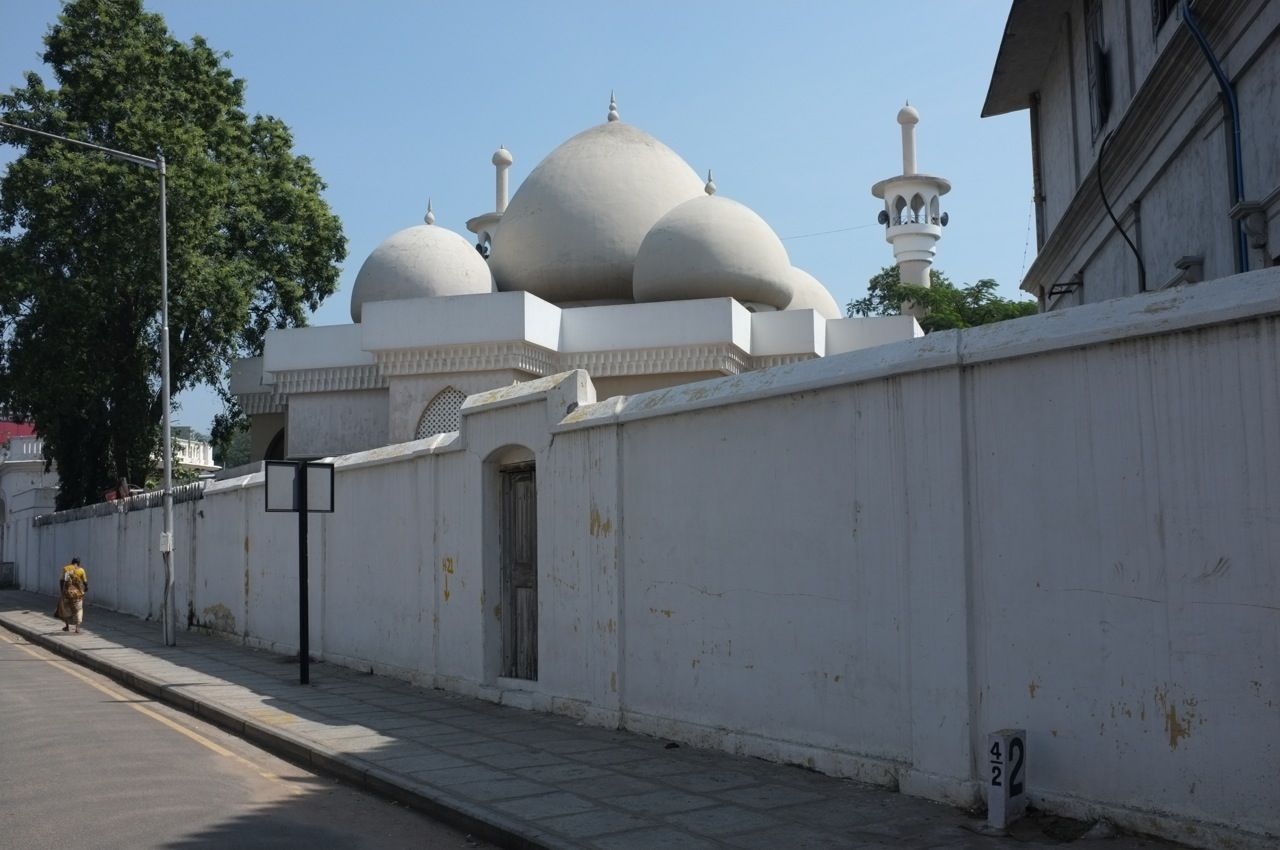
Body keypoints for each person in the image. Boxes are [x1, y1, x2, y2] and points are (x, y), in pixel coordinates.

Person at [55, 557, 88, 633]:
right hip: (78, 594)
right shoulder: (81, 570)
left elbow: (62, 580)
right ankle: (77, 628)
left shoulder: (66, 569)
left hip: (67, 593)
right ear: (78, 563)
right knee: (78, 610)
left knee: (66, 609)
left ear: (71, 562)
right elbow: (85, 581)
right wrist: (86, 587)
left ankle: (67, 627)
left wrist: (62, 590)